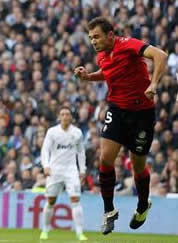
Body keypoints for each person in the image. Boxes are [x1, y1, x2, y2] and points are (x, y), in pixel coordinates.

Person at [74, 17, 168, 235]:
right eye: (90, 38)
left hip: (142, 114)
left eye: (96, 36)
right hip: (117, 110)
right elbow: (108, 74)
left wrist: (154, 83)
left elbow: (160, 55)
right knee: (105, 159)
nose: (93, 41)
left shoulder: (128, 45)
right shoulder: (102, 56)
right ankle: (109, 212)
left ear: (110, 35)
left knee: (137, 165)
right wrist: (89, 77)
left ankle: (143, 205)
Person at [40, 107, 88, 241]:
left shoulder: (77, 133)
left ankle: (79, 233)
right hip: (55, 170)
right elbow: (45, 150)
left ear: (71, 117)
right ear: (59, 117)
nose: (65, 116)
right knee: (50, 201)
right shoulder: (52, 132)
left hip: (71, 170)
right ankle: (45, 229)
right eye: (62, 114)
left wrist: (82, 170)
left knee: (75, 199)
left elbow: (81, 152)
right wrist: (46, 166)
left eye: (67, 114)